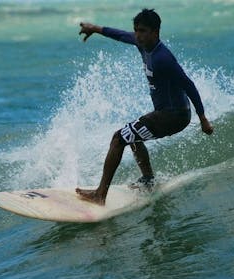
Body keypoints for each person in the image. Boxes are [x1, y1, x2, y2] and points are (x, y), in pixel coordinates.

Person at [76, 8, 214, 205]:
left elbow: (188, 84)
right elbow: (121, 35)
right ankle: (148, 179)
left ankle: (100, 195)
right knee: (132, 134)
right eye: (136, 30)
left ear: (155, 32)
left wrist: (203, 119)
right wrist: (95, 28)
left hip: (175, 115)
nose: (137, 35)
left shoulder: (163, 58)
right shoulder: (142, 44)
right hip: (164, 113)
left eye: (142, 31)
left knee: (119, 138)